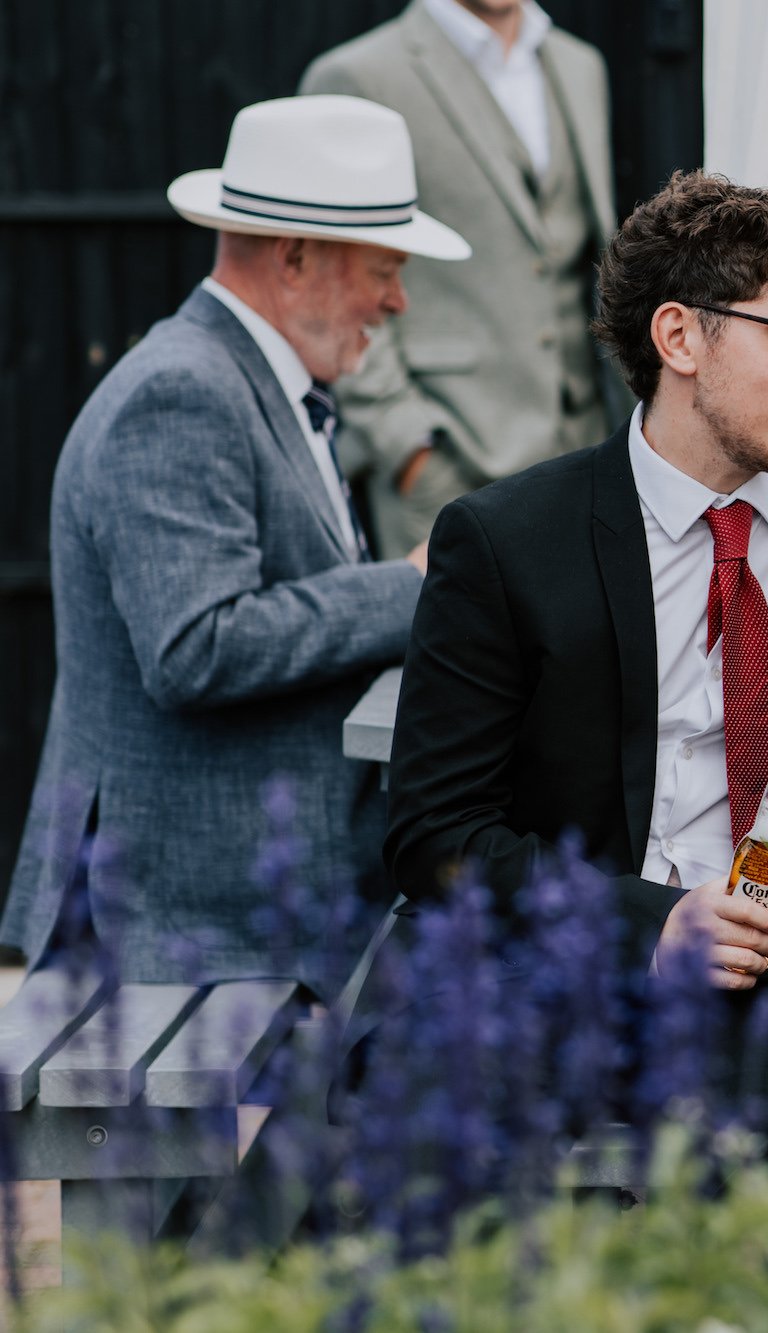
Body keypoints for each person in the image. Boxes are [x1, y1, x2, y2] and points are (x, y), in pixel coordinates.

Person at [383, 172, 768, 1188]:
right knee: (418, 1178)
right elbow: (434, 834)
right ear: (680, 337)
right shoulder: (508, 540)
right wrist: (650, 921)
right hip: (553, 967)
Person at [0, 96, 466, 996]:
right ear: (294, 257)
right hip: (167, 928)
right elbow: (196, 645)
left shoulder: (245, 379)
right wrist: (414, 585)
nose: (398, 300)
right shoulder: (182, 393)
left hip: (228, 912)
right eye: (385, 269)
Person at [301, 0, 629, 558]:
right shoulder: (358, 76)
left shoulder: (581, 66)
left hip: (588, 446)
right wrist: (406, 445)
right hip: (448, 457)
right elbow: (332, 277)